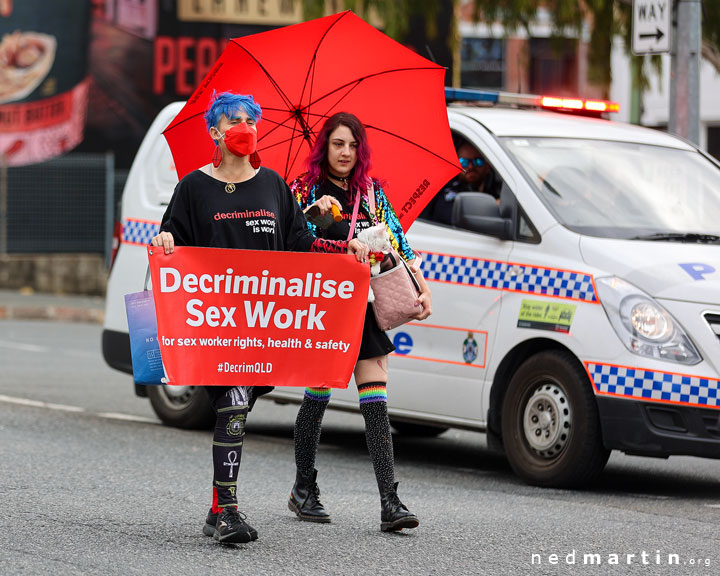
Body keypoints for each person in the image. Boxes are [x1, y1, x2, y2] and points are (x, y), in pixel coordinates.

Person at [150, 92, 369, 544]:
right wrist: (166, 242)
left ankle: (216, 509)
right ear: (214, 131)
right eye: (234, 120)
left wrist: (343, 250)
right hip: (214, 326)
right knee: (232, 403)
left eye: (251, 120)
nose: (245, 127)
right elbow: (171, 239)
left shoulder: (273, 186)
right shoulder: (192, 188)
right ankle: (228, 513)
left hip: (262, 327)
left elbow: (301, 247)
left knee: (238, 409)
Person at [288, 112, 433, 532]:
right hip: (321, 306)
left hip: (364, 305)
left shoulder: (371, 195)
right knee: (316, 398)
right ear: (324, 148)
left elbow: (398, 244)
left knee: (375, 399)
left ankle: (390, 501)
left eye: (353, 145)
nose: (346, 153)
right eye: (337, 144)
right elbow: (289, 243)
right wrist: (316, 216)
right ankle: (303, 488)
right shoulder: (301, 190)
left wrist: (423, 288)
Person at [421, 141, 498, 225]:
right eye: (463, 162)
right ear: (456, 166)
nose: (471, 166)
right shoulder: (446, 192)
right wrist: (494, 207)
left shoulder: (497, 190)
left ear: (488, 166)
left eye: (478, 161)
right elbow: (458, 218)